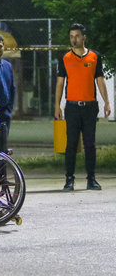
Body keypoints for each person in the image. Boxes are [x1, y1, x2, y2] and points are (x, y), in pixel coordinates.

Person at [54, 23, 111, 191]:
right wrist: (57, 105)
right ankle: (69, 180)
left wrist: (107, 101)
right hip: (71, 107)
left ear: (84, 37)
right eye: (71, 36)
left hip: (89, 107)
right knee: (70, 145)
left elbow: (100, 80)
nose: (74, 39)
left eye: (77, 36)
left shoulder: (94, 56)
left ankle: (91, 179)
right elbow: (59, 83)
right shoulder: (64, 58)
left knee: (90, 144)